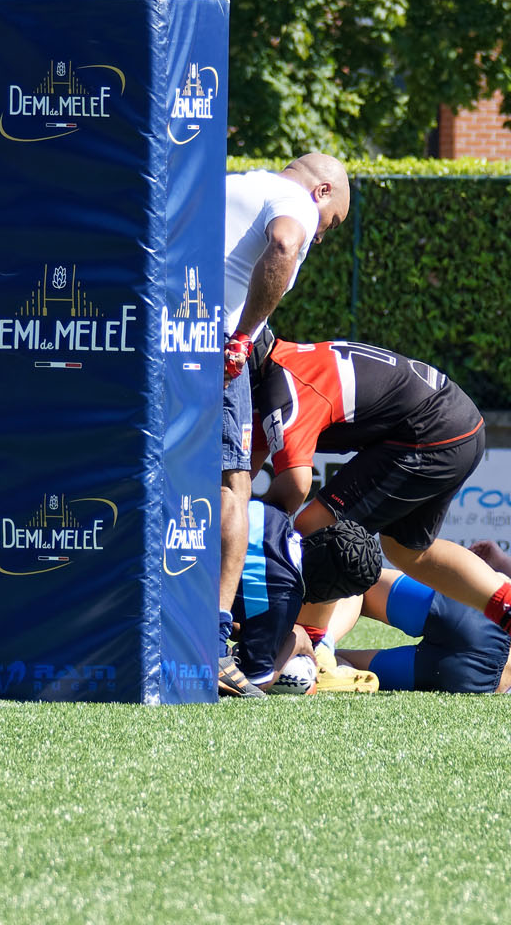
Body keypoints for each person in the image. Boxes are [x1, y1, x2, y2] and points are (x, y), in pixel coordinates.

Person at [250, 330, 511, 685]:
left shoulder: (280, 388)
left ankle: (315, 650)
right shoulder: (283, 368)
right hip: (458, 424)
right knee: (408, 551)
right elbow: (243, 474)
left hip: (429, 432)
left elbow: (295, 486)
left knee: (318, 531)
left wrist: (252, 539)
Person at [217, 153, 351, 699]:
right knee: (231, 489)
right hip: (212, 347)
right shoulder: (296, 202)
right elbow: (286, 243)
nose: (320, 236)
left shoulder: (232, 185)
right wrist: (242, 336)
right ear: (322, 192)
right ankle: (212, 641)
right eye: (331, 225)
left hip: (160, 336)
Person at [333, 540, 511, 693]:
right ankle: (320, 662)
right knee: (337, 665)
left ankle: (322, 645)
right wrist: (502, 562)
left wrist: (500, 561)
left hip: (482, 618)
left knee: (357, 582)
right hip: (473, 681)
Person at [230, 499, 382, 694]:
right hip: (188, 616)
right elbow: (252, 682)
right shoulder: (282, 601)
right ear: (327, 594)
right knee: (304, 681)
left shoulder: (273, 514)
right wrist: (297, 640)